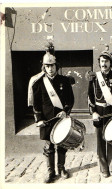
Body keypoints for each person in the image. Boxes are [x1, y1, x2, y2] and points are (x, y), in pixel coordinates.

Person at [32, 52, 74, 183]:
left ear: (56, 66)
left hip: (61, 119)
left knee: (62, 144)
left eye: (52, 65)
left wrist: (66, 111)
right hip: (47, 120)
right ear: (44, 67)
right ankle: (51, 172)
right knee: (48, 146)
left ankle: (61, 168)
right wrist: (39, 119)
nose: (50, 68)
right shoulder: (38, 83)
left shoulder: (64, 81)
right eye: (47, 66)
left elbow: (70, 100)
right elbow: (36, 104)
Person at [87, 47, 112, 178]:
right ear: (99, 62)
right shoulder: (94, 78)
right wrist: (93, 112)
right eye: (102, 61)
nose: (104, 64)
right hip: (99, 112)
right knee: (100, 140)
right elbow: (90, 97)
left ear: (110, 63)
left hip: (111, 112)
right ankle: (103, 167)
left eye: (106, 61)